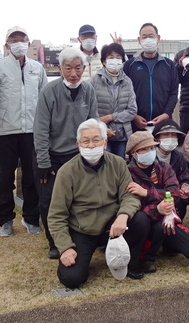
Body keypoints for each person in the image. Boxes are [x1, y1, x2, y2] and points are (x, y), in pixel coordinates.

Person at [48, 120, 149, 288]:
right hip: (82, 229)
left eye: (96, 140)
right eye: (85, 141)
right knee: (71, 279)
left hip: (111, 225)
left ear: (105, 142)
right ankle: (87, 255)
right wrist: (65, 247)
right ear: (78, 144)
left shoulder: (117, 163)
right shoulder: (66, 172)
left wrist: (123, 216)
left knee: (140, 220)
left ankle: (131, 263)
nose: (91, 145)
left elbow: (129, 196)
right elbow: (56, 215)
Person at [34, 46, 98, 259]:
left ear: (84, 67)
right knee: (50, 200)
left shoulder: (88, 90)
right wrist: (43, 162)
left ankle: (80, 236)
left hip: (79, 154)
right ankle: (54, 242)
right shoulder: (49, 92)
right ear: (60, 68)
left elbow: (93, 122)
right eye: (68, 68)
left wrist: (93, 152)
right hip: (52, 156)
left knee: (81, 198)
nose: (73, 74)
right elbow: (41, 130)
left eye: (78, 68)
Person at [0, 25, 47, 237]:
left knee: (31, 176)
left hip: (31, 131)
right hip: (6, 131)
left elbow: (44, 98)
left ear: (28, 44)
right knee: (4, 177)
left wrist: (44, 128)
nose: (18, 42)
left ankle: (30, 217)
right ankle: (5, 219)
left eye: (22, 39)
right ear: (7, 44)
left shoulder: (37, 68)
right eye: (14, 39)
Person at [126, 131, 189, 273]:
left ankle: (166, 244)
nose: (150, 151)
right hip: (141, 224)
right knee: (144, 220)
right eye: (144, 149)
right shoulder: (127, 173)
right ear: (133, 153)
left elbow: (174, 193)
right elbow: (133, 204)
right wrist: (157, 208)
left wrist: (146, 193)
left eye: (152, 148)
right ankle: (147, 258)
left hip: (167, 218)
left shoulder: (164, 167)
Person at [123, 23, 179, 131]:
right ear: (139, 40)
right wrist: (134, 116)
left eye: (151, 36)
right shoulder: (130, 65)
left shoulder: (169, 65)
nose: (148, 39)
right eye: (144, 37)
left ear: (158, 38)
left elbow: (174, 93)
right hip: (137, 124)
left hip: (163, 124)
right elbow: (124, 94)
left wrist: (166, 114)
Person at [91, 43, 137, 157]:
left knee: (119, 166)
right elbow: (88, 111)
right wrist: (103, 127)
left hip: (122, 135)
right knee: (104, 167)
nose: (115, 60)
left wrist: (111, 117)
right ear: (104, 61)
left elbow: (132, 111)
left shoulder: (127, 81)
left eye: (118, 57)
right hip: (100, 134)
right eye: (111, 58)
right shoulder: (93, 82)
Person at [152, 118, 189, 219]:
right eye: (166, 135)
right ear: (157, 138)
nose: (170, 138)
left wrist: (185, 186)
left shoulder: (178, 156)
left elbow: (185, 176)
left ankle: (177, 222)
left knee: (182, 198)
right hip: (153, 193)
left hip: (173, 193)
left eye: (173, 135)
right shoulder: (149, 155)